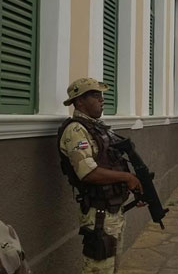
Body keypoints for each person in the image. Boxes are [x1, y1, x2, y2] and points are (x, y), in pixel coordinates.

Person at [58, 78, 145, 274]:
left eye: (101, 95)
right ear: (79, 101)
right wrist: (127, 178)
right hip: (99, 214)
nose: (102, 100)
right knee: (99, 269)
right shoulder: (76, 130)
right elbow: (87, 173)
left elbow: (112, 163)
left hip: (113, 209)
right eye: (95, 95)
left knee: (112, 267)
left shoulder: (99, 128)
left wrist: (134, 189)